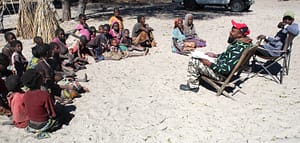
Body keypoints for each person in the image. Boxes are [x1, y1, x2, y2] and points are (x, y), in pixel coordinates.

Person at [180, 20, 252, 92]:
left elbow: (225, 70)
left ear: (240, 35)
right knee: (204, 56)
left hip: (221, 75)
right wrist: (216, 55)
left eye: (233, 31)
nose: (230, 32)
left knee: (194, 60)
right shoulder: (245, 44)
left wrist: (209, 63)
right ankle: (197, 77)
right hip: (221, 64)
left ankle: (193, 86)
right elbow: (229, 57)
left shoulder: (237, 49)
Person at [21, 69, 60, 135]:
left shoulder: (25, 95)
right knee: (62, 116)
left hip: (31, 124)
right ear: (38, 81)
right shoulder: (44, 95)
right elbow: (53, 114)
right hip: (43, 125)